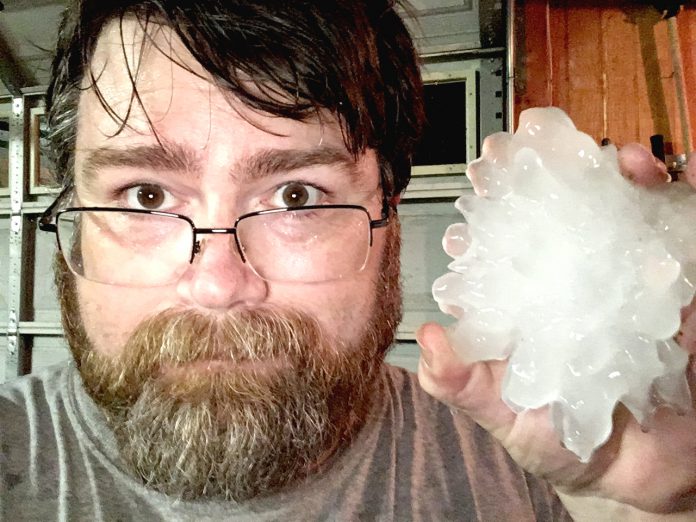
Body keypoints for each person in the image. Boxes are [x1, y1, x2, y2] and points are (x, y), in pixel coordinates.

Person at [1, 1, 694, 520]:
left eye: (297, 196)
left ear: (389, 224)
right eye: (146, 196)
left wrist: (645, 508)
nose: (217, 284)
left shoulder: (537, 468)